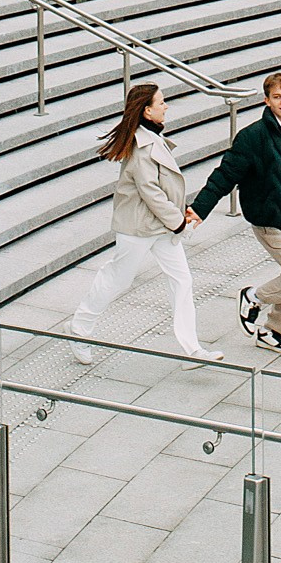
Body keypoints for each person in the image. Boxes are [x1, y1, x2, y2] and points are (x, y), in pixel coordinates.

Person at [70, 78, 219, 361]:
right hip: (139, 227)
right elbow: (149, 191)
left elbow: (160, 188)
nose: (166, 106)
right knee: (118, 277)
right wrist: (178, 221)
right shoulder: (142, 146)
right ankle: (79, 329)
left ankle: (192, 350)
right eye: (161, 103)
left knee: (182, 280)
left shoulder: (152, 137)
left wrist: (177, 213)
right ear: (147, 111)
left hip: (159, 225)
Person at [184, 69, 281, 352]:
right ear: (266, 101)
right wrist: (200, 208)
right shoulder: (253, 137)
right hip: (268, 220)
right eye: (277, 97)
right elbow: (225, 174)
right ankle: (254, 297)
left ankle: (272, 331)